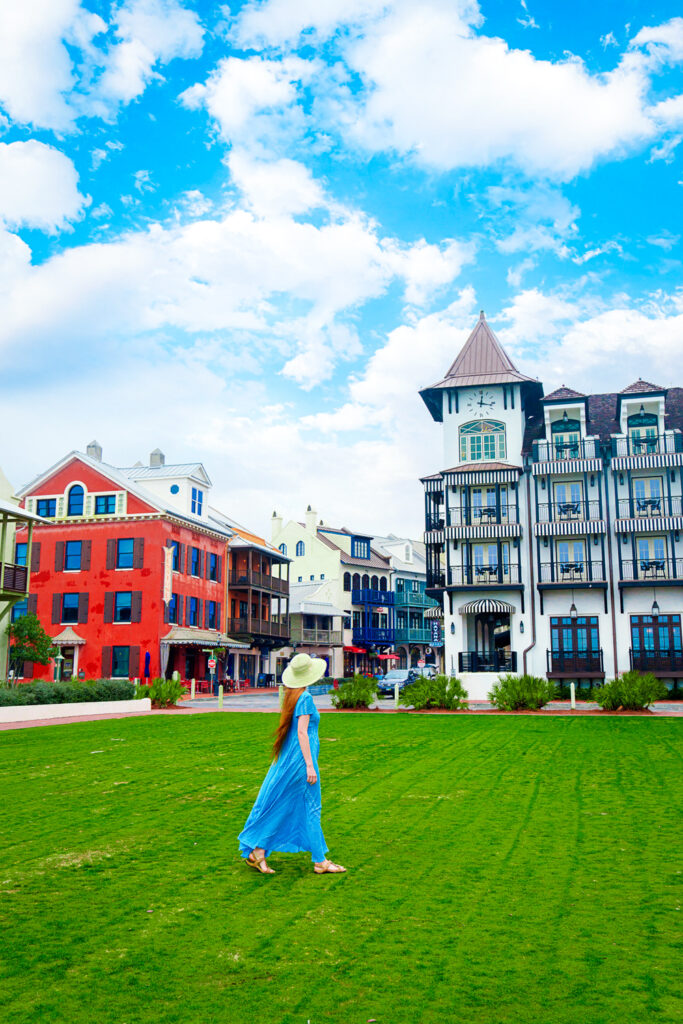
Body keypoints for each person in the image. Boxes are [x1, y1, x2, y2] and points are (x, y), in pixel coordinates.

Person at [238, 653, 346, 876]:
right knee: (311, 807)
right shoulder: (304, 698)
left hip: (291, 760)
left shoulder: (292, 696)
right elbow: (302, 732)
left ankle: (258, 851)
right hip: (299, 761)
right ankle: (320, 861)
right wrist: (309, 765)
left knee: (286, 805)